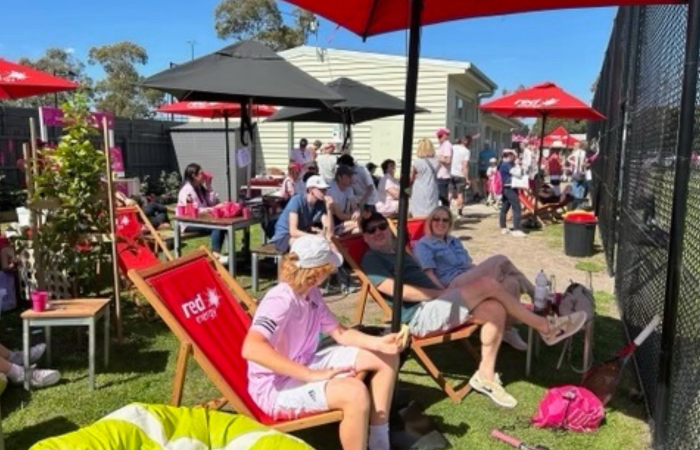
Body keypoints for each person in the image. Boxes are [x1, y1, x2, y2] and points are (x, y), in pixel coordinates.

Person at [358, 212, 587, 408]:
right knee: (488, 284)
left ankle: (485, 376)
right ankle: (545, 326)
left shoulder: (400, 252)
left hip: (438, 302)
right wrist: (440, 293)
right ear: (365, 237)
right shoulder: (371, 259)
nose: (378, 232)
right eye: (371, 230)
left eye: (381, 226)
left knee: (495, 308)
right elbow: (396, 291)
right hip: (420, 315)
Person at [243, 235, 402, 450]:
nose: (330, 273)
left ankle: (380, 443)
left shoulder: (311, 293)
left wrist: (380, 343)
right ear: (317, 273)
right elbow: (252, 348)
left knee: (386, 356)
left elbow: (340, 332)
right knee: (354, 393)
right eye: (328, 269)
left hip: (305, 361)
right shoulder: (280, 300)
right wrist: (310, 375)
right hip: (276, 387)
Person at [413, 206, 535, 351]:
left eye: (445, 220)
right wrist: (443, 293)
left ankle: (506, 330)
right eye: (436, 219)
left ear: (450, 223)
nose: (441, 223)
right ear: (430, 222)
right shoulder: (424, 244)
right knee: (500, 260)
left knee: (511, 282)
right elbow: (429, 274)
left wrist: (484, 270)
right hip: (452, 286)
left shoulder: (454, 241)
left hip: (467, 277)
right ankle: (534, 293)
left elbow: (468, 264)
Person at [269, 175, 334, 253]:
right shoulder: (297, 201)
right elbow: (293, 231)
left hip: (302, 235)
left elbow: (329, 233)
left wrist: (329, 209)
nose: (325, 192)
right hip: (284, 237)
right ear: (311, 190)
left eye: (325, 190)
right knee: (309, 247)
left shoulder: (320, 204)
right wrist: (315, 237)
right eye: (321, 190)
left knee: (330, 244)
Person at [177, 163, 227, 258]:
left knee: (224, 225)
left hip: (201, 219)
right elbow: (195, 210)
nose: (203, 175)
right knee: (217, 226)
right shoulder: (186, 190)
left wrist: (208, 185)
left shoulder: (199, 188)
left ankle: (216, 253)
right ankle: (215, 254)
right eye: (201, 173)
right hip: (188, 222)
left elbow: (211, 202)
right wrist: (214, 208)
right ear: (194, 175)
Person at [498, 151, 526, 237]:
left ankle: (503, 227)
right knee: (517, 207)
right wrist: (518, 165)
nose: (515, 158)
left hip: (506, 188)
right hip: (509, 188)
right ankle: (516, 229)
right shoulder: (506, 164)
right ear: (510, 155)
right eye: (514, 156)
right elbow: (518, 173)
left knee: (505, 207)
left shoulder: (503, 164)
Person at [409, 138, 440, 217]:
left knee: (418, 210)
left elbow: (412, 177)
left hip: (419, 188)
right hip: (432, 187)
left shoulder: (417, 161)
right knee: (431, 209)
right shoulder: (437, 161)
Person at [327, 165, 361, 235]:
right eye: (348, 176)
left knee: (359, 228)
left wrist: (357, 212)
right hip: (332, 220)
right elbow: (340, 215)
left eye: (351, 176)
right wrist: (355, 217)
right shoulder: (331, 190)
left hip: (343, 219)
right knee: (361, 224)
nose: (351, 179)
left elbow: (354, 206)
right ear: (339, 178)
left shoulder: (349, 188)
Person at [450, 136, 471, 216]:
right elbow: (465, 166)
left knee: (450, 192)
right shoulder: (466, 151)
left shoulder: (453, 147)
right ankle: (459, 212)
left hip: (451, 173)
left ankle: (448, 208)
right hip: (460, 174)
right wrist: (467, 178)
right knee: (460, 194)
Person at [435, 128, 453, 206]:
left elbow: (448, 160)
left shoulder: (447, 145)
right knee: (440, 198)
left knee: (442, 198)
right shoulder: (442, 145)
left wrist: (437, 157)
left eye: (440, 136)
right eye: (438, 136)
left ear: (445, 136)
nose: (438, 138)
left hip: (443, 176)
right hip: (439, 175)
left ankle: (445, 212)